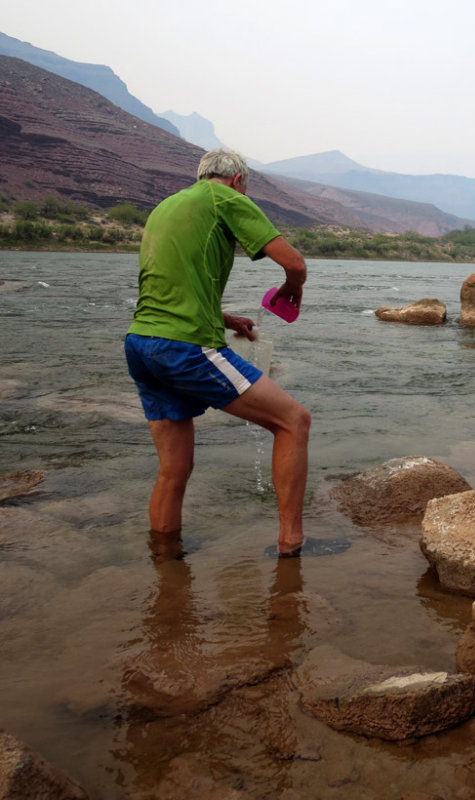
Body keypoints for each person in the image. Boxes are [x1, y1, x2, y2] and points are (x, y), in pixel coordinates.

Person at [125, 148, 310, 556]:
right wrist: (292, 288)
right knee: (294, 422)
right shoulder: (225, 197)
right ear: (238, 181)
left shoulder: (166, 207)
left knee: (174, 470)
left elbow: (168, 287)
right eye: (244, 187)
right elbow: (294, 264)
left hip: (141, 344)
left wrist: (225, 319)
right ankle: (291, 544)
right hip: (184, 346)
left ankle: (166, 564)